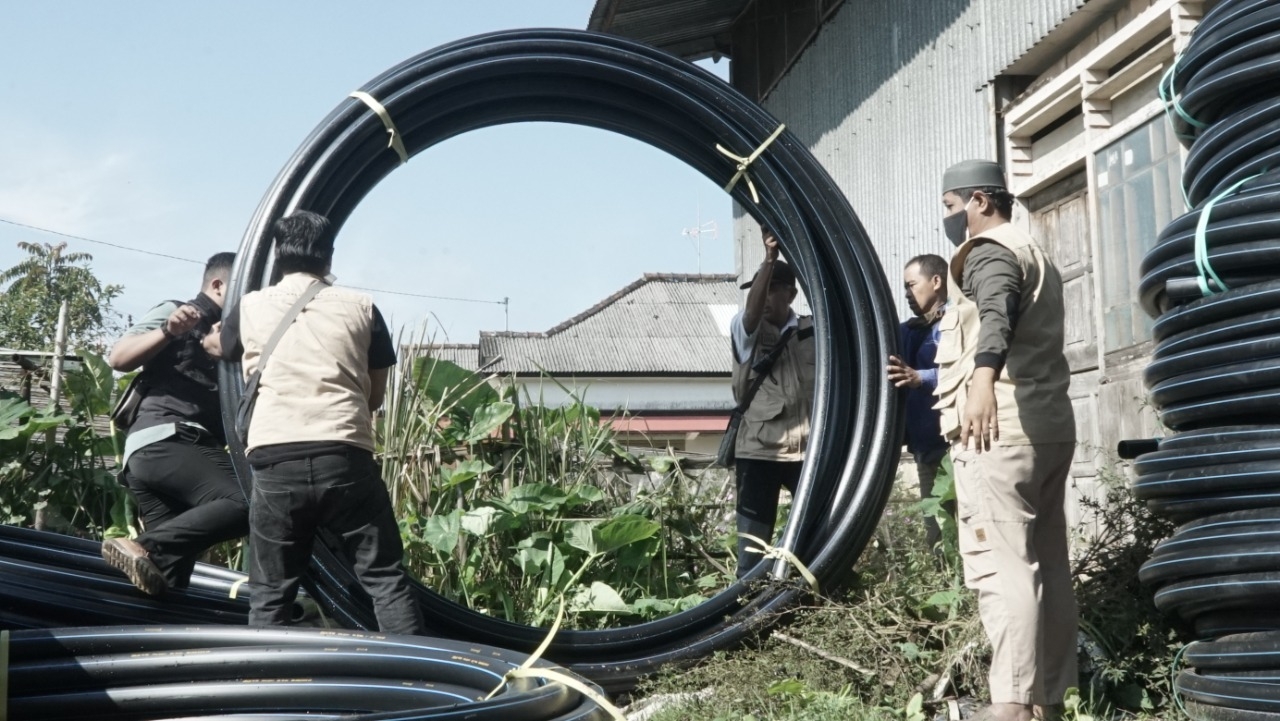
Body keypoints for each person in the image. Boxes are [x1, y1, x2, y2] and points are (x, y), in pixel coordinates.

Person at [221, 210, 425, 635]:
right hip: (344, 454)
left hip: (275, 458)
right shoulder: (363, 308)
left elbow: (223, 348)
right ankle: (417, 683)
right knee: (385, 580)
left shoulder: (250, 306)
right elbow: (375, 396)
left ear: (278, 254)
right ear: (329, 258)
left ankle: (264, 689)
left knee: (270, 592)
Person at [935, 159, 1077, 721]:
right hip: (1047, 428)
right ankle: (1048, 700)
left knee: (1003, 568)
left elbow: (996, 314)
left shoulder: (990, 250)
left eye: (951, 207)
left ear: (980, 201)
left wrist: (982, 383)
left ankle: (1012, 703)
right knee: (1048, 564)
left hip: (1000, 430)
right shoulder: (1035, 251)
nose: (950, 218)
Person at [103, 252, 248, 596]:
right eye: (245, 288)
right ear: (218, 285)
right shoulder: (177, 311)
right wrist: (169, 331)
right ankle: (146, 545)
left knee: (164, 582)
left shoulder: (233, 337)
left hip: (165, 459)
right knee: (251, 501)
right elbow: (119, 358)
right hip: (168, 440)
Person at [728, 228, 814, 578]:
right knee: (751, 548)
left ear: (791, 294)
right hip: (759, 452)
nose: (762, 299)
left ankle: (796, 595)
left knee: (817, 532)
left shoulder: (814, 332)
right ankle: (746, 605)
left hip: (808, 452)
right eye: (757, 291)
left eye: (770, 290)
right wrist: (769, 261)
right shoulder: (745, 331)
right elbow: (749, 315)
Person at [886, 253, 951, 548]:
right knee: (935, 531)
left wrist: (921, 378)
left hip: (956, 446)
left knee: (965, 527)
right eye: (904, 288)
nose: (907, 294)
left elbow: (968, 373)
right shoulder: (907, 331)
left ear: (936, 281)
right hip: (926, 450)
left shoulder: (957, 321)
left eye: (912, 285)